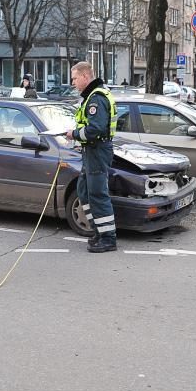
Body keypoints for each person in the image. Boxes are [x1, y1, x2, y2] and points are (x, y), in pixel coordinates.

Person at [65, 62, 118, 252]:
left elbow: (95, 129)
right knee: (84, 190)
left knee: (97, 194)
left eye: (75, 78)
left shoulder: (96, 99)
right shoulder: (91, 97)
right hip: (91, 151)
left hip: (97, 150)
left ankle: (108, 238)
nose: (73, 83)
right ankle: (98, 230)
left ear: (85, 77)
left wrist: (74, 134)